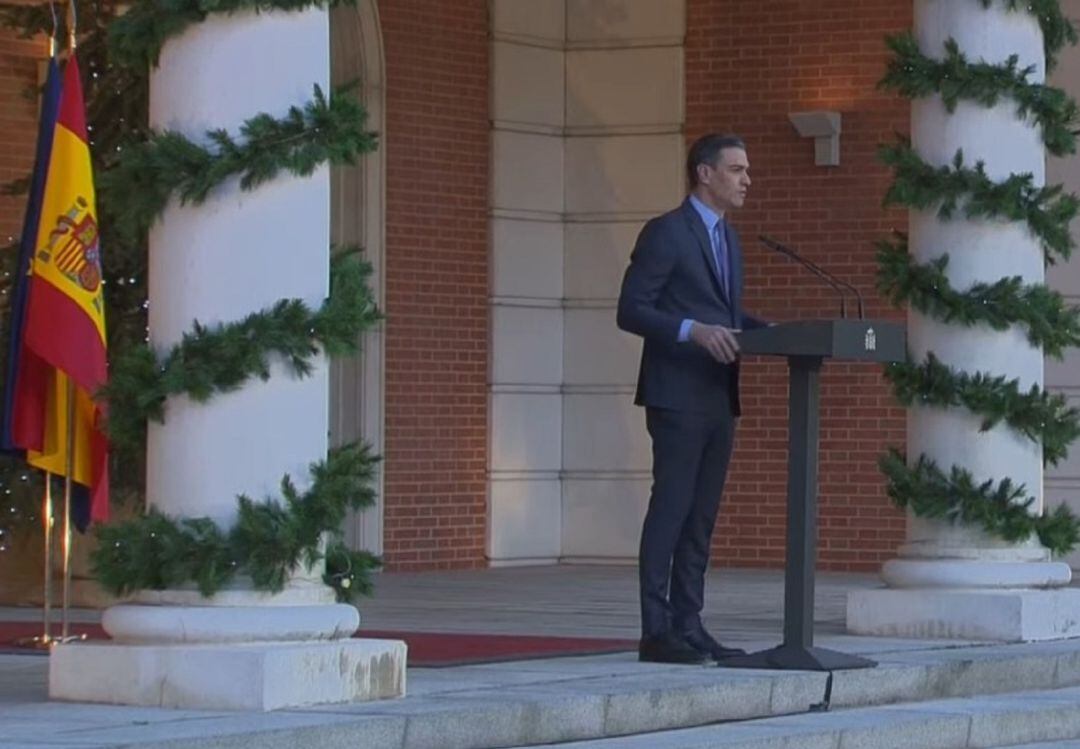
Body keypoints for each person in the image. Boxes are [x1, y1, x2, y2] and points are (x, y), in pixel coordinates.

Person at [616, 133, 768, 665]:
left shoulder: (730, 240)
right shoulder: (666, 232)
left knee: (702, 516)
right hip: (676, 394)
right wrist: (690, 331)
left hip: (718, 395)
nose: (747, 179)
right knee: (672, 509)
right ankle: (655, 630)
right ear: (704, 174)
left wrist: (773, 334)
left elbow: (726, 318)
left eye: (747, 170)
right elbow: (631, 310)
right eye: (736, 169)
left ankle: (689, 622)